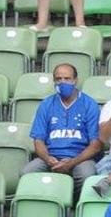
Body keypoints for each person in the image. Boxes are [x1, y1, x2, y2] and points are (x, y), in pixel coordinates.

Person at [22, 63, 101, 196]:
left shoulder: (89, 104)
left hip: (80, 158)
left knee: (86, 174)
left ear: (75, 80)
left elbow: (96, 145)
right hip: (51, 156)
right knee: (27, 172)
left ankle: (74, 206)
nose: (62, 82)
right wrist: (48, 159)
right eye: (58, 79)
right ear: (54, 81)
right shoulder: (46, 104)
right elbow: (38, 141)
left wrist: (72, 162)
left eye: (67, 78)